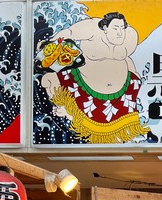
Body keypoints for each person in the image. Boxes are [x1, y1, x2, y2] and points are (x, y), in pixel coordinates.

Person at [40, 11, 150, 143]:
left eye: (122, 28)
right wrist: (50, 42)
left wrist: (135, 76)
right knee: (48, 79)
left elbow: (127, 59)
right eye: (116, 28)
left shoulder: (130, 36)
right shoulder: (91, 28)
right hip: (84, 81)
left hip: (120, 89)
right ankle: (68, 111)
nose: (120, 33)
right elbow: (69, 32)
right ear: (105, 28)